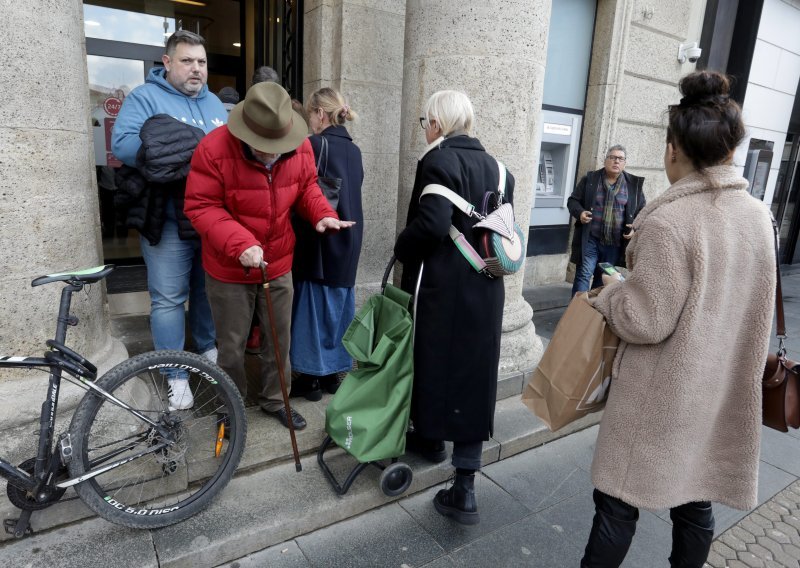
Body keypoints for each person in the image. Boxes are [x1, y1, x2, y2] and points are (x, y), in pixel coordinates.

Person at [580, 70, 777, 567]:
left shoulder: (670, 221)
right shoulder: (757, 216)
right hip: (718, 387)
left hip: (661, 394)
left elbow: (645, 320)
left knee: (617, 503)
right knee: (696, 499)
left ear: (674, 149)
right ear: (729, 150)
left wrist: (611, 293)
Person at [184, 82, 355, 430]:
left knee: (279, 338)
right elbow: (201, 206)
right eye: (263, 149)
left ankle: (276, 399)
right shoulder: (213, 149)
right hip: (229, 267)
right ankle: (231, 406)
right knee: (231, 347)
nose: (271, 155)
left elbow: (307, 186)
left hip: (278, 261)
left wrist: (321, 212)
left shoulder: (301, 147)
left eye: (277, 147)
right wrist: (240, 244)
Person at [394, 90, 511, 526]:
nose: (424, 128)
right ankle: (465, 486)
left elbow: (433, 224)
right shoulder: (501, 170)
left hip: (442, 285)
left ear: (437, 124)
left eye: (425, 119)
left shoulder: (437, 159)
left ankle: (430, 438)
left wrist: (401, 246)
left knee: (431, 361)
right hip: (486, 285)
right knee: (474, 373)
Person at [111, 30, 227, 410]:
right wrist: (181, 147)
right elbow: (123, 145)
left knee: (207, 293)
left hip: (210, 217)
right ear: (167, 63)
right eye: (187, 61)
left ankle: (207, 352)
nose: (196, 69)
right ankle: (175, 372)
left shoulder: (214, 102)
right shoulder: (145, 97)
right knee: (168, 299)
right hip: (169, 219)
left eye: (202, 62)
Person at [289, 88, 364, 400]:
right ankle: (333, 375)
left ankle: (309, 380)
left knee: (312, 308)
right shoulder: (355, 150)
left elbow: (300, 189)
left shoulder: (313, 143)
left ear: (320, 113)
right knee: (339, 308)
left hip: (319, 235)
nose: (310, 120)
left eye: (310, 114)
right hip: (349, 236)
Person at [567, 145, 645, 296]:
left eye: (620, 158)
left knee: (602, 279)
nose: (616, 161)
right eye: (613, 157)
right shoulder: (590, 179)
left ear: (625, 163)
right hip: (591, 239)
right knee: (583, 274)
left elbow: (643, 211)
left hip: (614, 244)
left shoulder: (633, 185)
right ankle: (575, 313)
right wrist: (580, 212)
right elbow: (573, 201)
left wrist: (635, 227)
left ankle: (591, 313)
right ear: (605, 160)